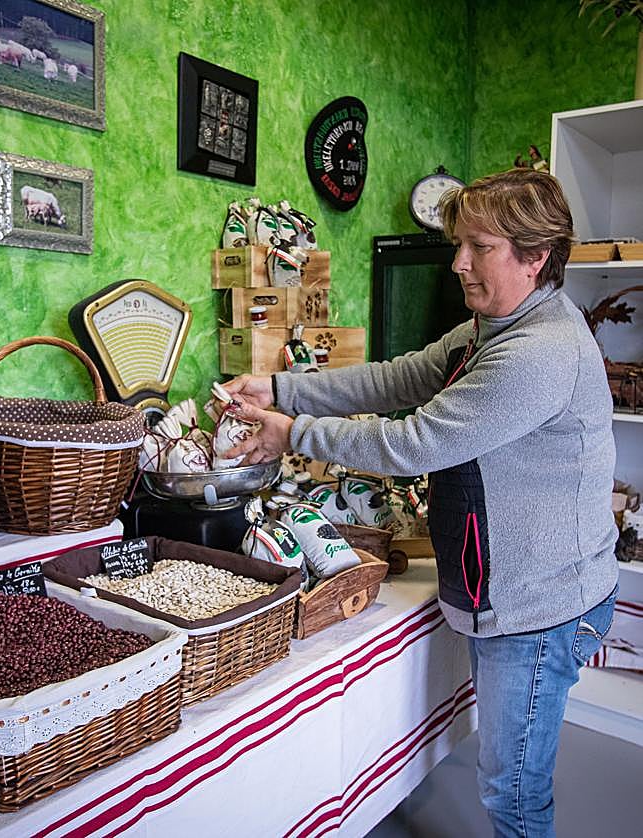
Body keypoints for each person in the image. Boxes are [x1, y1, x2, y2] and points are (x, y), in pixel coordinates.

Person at [223, 167, 619, 838]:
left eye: (478, 246)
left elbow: (414, 443)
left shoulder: (540, 350)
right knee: (510, 774)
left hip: (540, 607)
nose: (457, 263)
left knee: (513, 793)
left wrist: (291, 433)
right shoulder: (494, 328)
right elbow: (397, 378)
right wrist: (278, 389)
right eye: (456, 243)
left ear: (534, 256)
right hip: (516, 589)